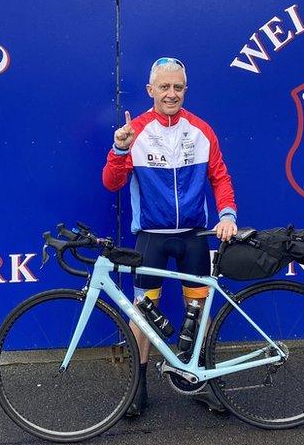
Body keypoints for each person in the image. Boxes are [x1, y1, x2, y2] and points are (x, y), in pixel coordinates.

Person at [102, 57, 238, 417]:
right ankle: (137, 388)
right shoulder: (136, 132)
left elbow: (220, 177)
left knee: (201, 308)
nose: (171, 94)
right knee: (142, 314)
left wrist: (227, 215)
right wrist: (119, 150)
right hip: (152, 237)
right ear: (151, 91)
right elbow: (111, 183)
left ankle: (202, 379)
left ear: (185, 90)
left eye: (178, 87)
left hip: (194, 236)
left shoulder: (201, 130)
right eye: (164, 87)